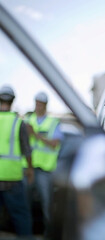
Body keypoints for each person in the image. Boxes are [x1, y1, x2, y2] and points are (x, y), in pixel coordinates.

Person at [24, 91, 63, 234]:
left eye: (40, 103)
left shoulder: (53, 122)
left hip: (45, 170)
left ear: (45, 105)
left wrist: (35, 135)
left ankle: (49, 234)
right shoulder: (28, 120)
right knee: (24, 204)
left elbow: (54, 144)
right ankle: (26, 234)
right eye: (36, 102)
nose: (37, 106)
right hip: (28, 169)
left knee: (47, 204)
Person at [0, 85, 34, 238]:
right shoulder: (18, 123)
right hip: (12, 179)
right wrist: (30, 170)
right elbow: (27, 150)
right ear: (12, 101)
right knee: (21, 217)